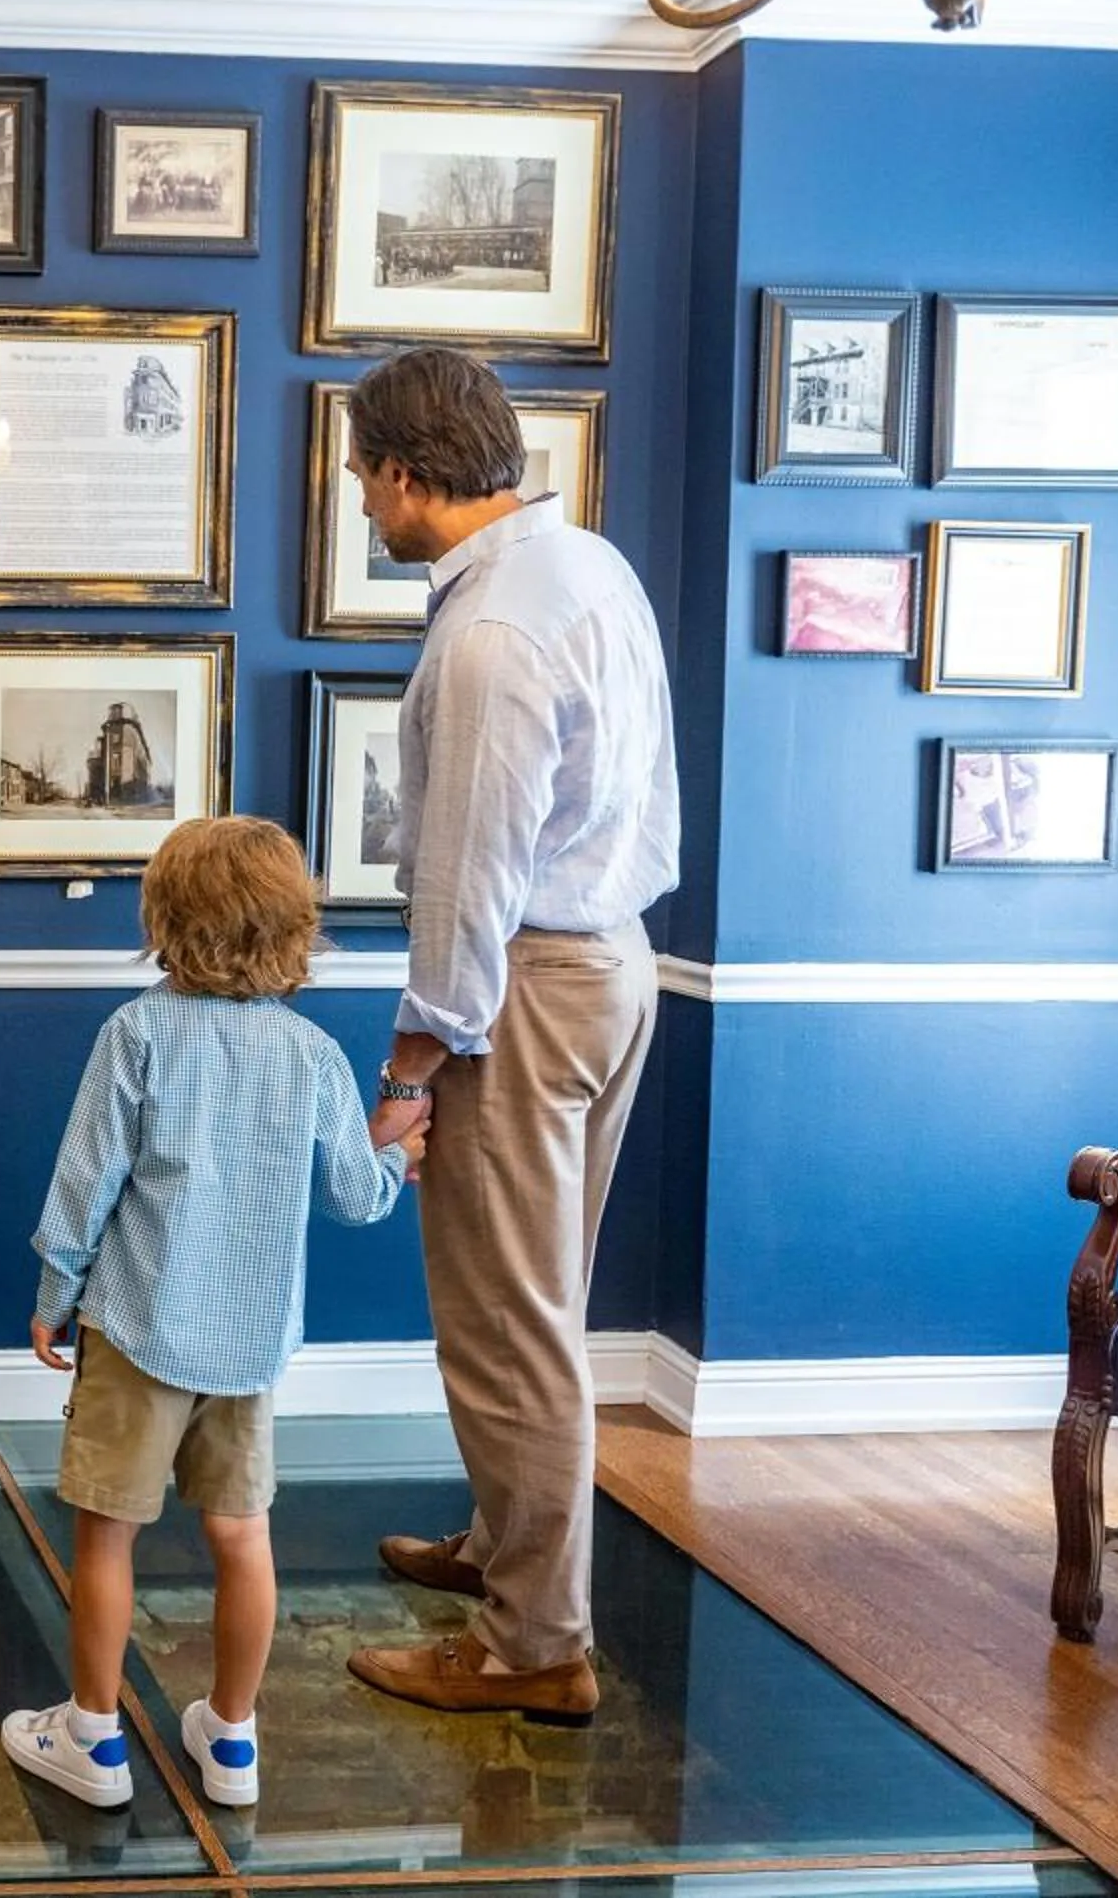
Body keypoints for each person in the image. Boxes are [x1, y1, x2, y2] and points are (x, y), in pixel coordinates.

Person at [340, 347, 679, 1724]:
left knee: (505, 1323)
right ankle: (504, 1544)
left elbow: (468, 878)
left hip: (525, 991)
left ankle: (533, 1642)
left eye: (365, 473)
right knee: (536, 1300)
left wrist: (415, 1063)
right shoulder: (586, 564)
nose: (362, 497)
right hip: (611, 969)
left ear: (412, 478)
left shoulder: (488, 634)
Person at [3, 816, 419, 1812]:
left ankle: (95, 1739)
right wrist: (400, 1148)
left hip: (138, 1331)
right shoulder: (313, 1054)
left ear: (165, 919)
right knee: (244, 1538)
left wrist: (54, 1298)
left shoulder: (137, 1034)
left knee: (106, 1537)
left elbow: (83, 1187)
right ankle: (232, 1740)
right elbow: (359, 1195)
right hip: (247, 1349)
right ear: (294, 928)